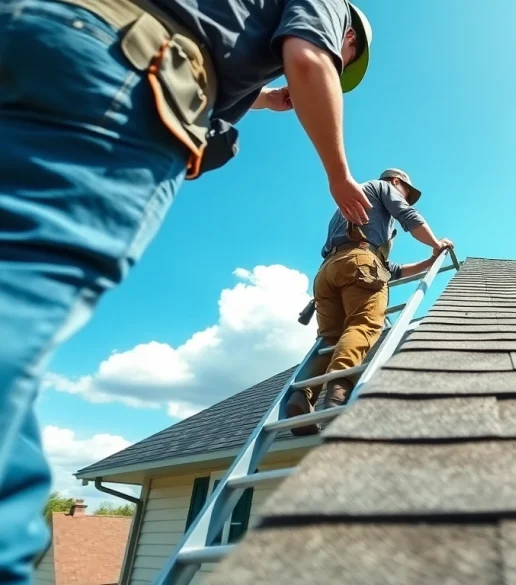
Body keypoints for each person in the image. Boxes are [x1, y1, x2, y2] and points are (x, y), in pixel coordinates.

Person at [0, 0, 377, 581]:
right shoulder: (328, 15)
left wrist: (259, 100)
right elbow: (307, 59)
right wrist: (339, 174)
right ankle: (328, 396)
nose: (339, 54)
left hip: (39, 31)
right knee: (363, 325)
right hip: (123, 74)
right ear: (348, 34)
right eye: (345, 52)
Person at [286, 169, 453, 436]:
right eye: (407, 194)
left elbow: (390, 269)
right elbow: (407, 217)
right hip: (359, 264)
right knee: (363, 324)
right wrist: (436, 244)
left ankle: (300, 398)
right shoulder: (381, 187)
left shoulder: (348, 208)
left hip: (328, 271)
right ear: (397, 183)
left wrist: (428, 263)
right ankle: (338, 391)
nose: (406, 199)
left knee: (329, 339)